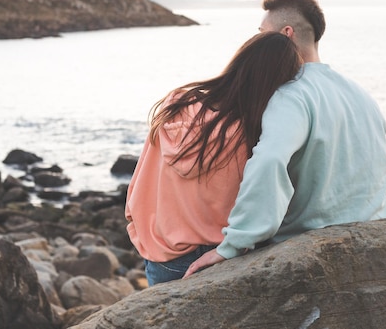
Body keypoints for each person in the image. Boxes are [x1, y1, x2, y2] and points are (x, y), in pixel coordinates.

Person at [184, 0, 386, 278]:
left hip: (312, 252)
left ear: (286, 34)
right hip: (374, 237)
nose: (255, 41)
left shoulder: (291, 96)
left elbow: (269, 162)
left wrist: (233, 244)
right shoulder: (361, 95)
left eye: (261, 34)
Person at [125, 31, 303, 285]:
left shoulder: (178, 102)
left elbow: (143, 174)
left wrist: (137, 225)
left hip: (163, 251)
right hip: (223, 253)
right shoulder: (255, 131)